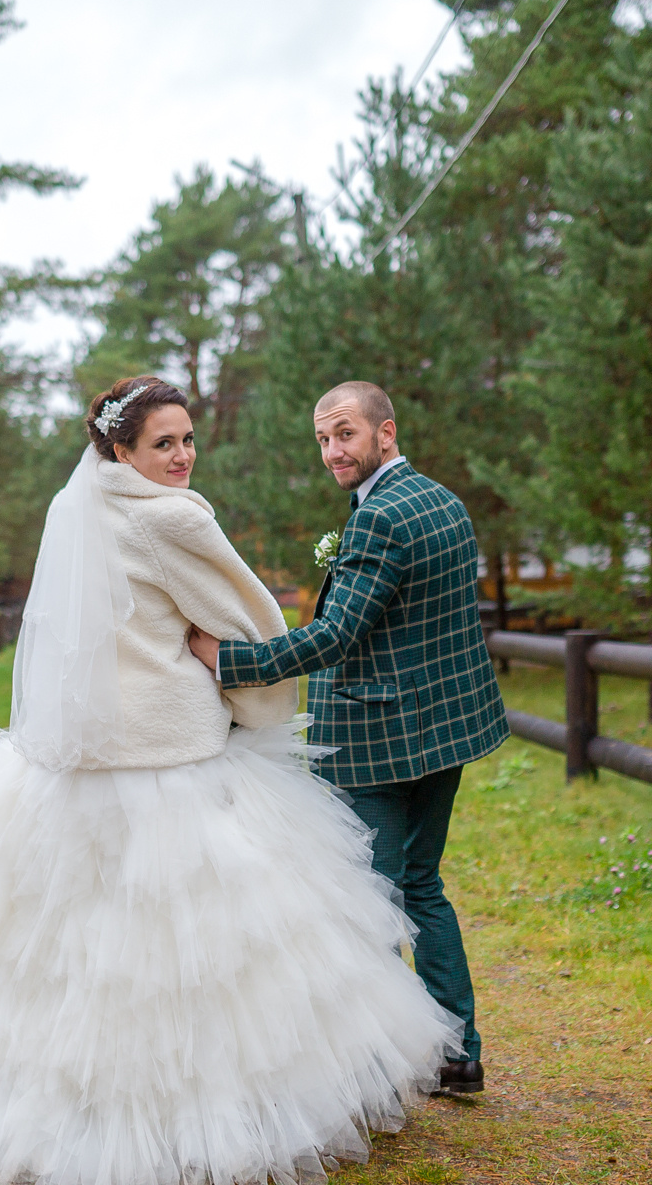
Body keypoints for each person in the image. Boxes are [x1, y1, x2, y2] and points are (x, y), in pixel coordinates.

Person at [0, 375, 459, 1185]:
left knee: (84, 956)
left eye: (188, 439)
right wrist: (256, 704)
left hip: (80, 770)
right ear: (122, 449)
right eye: (164, 443)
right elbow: (252, 622)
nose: (183, 455)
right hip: (171, 763)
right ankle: (213, 1118)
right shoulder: (174, 519)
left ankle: (72, 1111)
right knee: (203, 959)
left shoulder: (75, 514)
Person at [189, 380, 506, 1096]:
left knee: (368, 903)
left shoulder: (380, 520)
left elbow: (336, 635)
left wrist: (228, 659)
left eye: (346, 434)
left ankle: (379, 1067)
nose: (333, 450)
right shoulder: (441, 500)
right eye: (323, 438)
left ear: (385, 433)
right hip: (443, 733)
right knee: (421, 888)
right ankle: (458, 1054)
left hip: (377, 743)